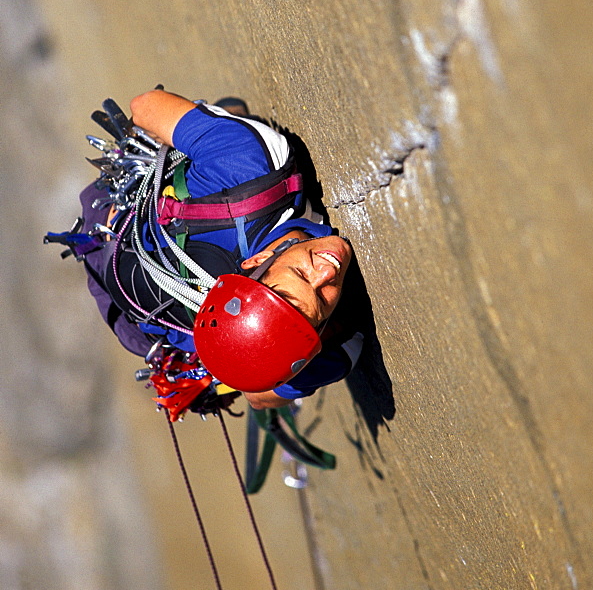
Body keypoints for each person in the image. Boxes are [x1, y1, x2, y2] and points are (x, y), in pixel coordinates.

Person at [52, 89, 363, 419]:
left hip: (112, 223)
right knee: (328, 357)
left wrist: (199, 129)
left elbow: (144, 108)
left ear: (256, 263)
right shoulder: (305, 353)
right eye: (322, 300)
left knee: (227, 131)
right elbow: (263, 392)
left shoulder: (248, 165)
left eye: (301, 275)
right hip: (137, 293)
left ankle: (217, 123)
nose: (327, 271)